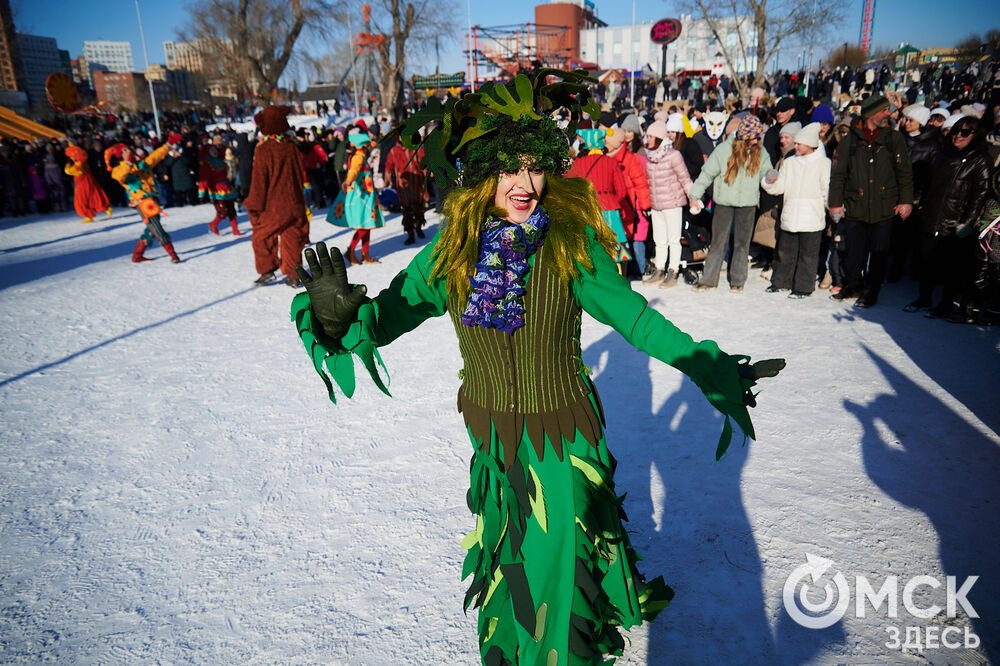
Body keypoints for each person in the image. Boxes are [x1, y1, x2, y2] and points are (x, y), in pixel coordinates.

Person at [289, 71, 784, 666]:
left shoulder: (570, 247)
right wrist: (338, 320)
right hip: (494, 442)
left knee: (560, 567)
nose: (525, 183)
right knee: (513, 562)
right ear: (480, 175)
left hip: (563, 437)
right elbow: (385, 320)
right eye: (510, 168)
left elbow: (637, 321)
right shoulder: (448, 257)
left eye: (536, 166)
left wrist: (706, 364)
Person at [828, 94, 914, 308]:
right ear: (871, 114)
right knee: (854, 252)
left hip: (885, 206)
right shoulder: (850, 141)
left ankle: (872, 289)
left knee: (879, 253)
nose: (889, 114)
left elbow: (904, 172)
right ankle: (853, 285)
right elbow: (838, 175)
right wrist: (835, 203)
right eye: (885, 110)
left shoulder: (893, 139)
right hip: (856, 205)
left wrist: (906, 201)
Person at [904, 115, 991, 319]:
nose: (958, 136)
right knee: (926, 262)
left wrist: (967, 223)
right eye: (955, 131)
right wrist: (919, 206)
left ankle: (945, 304)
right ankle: (923, 299)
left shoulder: (980, 159)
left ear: (975, 135)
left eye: (965, 132)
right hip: (931, 215)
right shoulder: (942, 154)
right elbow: (926, 185)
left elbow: (980, 194)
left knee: (951, 267)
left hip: (955, 221)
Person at [689, 115, 773, 293]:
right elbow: (707, 173)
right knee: (719, 242)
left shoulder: (760, 152)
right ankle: (709, 279)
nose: (755, 142)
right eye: (752, 139)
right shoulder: (723, 150)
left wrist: (771, 176)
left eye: (758, 138)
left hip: (748, 204)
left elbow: (767, 170)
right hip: (724, 203)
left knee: (742, 243)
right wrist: (695, 194)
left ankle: (738, 280)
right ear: (743, 137)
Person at [761, 123, 831, 297]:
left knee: (808, 255)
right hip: (791, 214)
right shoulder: (790, 162)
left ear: (810, 144)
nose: (796, 146)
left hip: (812, 216)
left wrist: (831, 208)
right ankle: (781, 282)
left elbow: (826, 189)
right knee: (785, 253)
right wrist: (769, 182)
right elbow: (780, 187)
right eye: (796, 143)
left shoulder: (823, 163)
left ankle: (803, 287)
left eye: (800, 143)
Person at [243, 105, 310, 287]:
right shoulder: (292, 147)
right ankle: (294, 275)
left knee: (261, 236)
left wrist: (254, 204)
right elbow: (298, 176)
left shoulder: (263, 149)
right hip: (294, 202)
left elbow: (259, 181)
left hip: (274, 206)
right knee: (291, 237)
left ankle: (267, 270)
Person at [107, 137, 182, 264]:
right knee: (156, 227)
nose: (128, 151)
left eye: (128, 148)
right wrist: (128, 163)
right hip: (141, 201)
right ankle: (172, 254)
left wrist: (168, 144)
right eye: (124, 150)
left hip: (153, 198)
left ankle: (137, 255)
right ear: (120, 155)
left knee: (151, 228)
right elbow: (120, 176)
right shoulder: (117, 169)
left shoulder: (142, 164)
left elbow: (155, 156)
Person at [565, 128, 631, 272]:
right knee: (615, 241)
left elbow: (570, 186)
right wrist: (611, 200)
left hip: (586, 208)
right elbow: (621, 192)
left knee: (589, 242)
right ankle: (619, 274)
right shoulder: (611, 162)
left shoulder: (578, 163)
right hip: (610, 208)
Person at [643, 119, 693, 288]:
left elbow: (685, 178)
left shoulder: (673, 155)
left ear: (659, 138)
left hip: (672, 203)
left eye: (651, 136)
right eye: (647, 136)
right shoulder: (648, 156)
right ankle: (659, 268)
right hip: (656, 204)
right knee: (659, 239)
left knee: (673, 239)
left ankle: (673, 270)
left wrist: (693, 198)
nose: (647, 139)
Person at [326, 132, 385, 265]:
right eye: (367, 145)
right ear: (362, 146)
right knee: (363, 225)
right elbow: (354, 171)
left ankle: (365, 254)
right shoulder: (358, 158)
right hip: (361, 197)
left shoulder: (362, 156)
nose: (369, 147)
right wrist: (348, 181)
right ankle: (351, 251)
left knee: (367, 225)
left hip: (367, 196)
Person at [383, 138, 428, 245]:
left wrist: (428, 172)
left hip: (417, 183)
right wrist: (388, 178)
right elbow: (389, 165)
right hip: (403, 186)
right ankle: (410, 234)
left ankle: (418, 228)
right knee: (407, 210)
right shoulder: (394, 150)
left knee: (419, 208)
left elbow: (425, 161)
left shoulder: (416, 148)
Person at [199, 135, 241, 236]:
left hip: (227, 188)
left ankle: (235, 230)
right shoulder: (207, 164)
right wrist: (201, 193)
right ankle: (213, 224)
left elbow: (224, 148)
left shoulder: (221, 159)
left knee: (231, 210)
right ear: (208, 152)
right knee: (222, 212)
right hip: (216, 191)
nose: (215, 151)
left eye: (215, 149)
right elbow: (203, 179)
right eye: (212, 150)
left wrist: (221, 142)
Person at [64, 144, 111, 223]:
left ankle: (89, 215)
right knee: (92, 197)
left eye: (72, 155)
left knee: (81, 200)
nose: (71, 157)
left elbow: (72, 171)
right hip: (86, 182)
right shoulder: (80, 162)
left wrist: (67, 168)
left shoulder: (79, 163)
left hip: (83, 184)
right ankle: (105, 208)